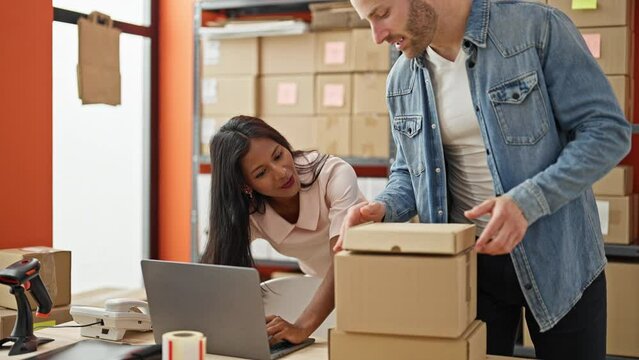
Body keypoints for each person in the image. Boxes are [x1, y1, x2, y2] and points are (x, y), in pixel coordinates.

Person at [337, 0, 632, 359]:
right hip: (469, 266)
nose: (376, 36)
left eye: (381, 14)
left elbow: (607, 133)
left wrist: (527, 203)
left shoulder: (535, 28)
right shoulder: (401, 79)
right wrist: (383, 208)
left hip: (560, 259)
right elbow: (407, 170)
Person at [201, 115, 366, 344]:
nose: (281, 172)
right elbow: (217, 270)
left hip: (378, 276)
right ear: (245, 186)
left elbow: (343, 260)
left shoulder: (334, 174)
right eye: (261, 173)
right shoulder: (250, 211)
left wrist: (301, 327)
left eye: (278, 155)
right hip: (323, 291)